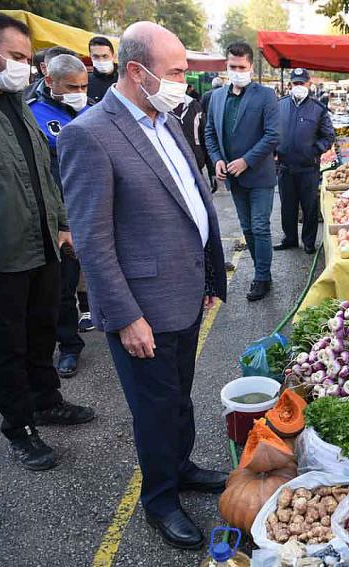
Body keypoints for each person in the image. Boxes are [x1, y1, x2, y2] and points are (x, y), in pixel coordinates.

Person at [58, 21, 228, 550]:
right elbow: (92, 241)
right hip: (142, 308)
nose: (184, 83)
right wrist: (126, 316)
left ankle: (180, 466)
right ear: (137, 71)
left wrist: (208, 274)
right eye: (175, 72)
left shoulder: (166, 119)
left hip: (184, 293)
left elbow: (189, 201)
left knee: (179, 397)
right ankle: (160, 500)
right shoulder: (89, 134)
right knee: (154, 409)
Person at [0, 12, 96, 471]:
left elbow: (45, 172)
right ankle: (19, 428)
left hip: (42, 245)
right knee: (5, 348)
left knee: (43, 330)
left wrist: (62, 224)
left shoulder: (17, 103)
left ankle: (47, 401)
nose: (25, 66)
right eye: (17, 56)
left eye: (28, 58)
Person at [28, 54, 89, 379]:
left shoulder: (91, 109)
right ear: (50, 81)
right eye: (71, 87)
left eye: (83, 87)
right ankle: (68, 345)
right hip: (57, 216)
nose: (79, 93)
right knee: (62, 285)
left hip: (91, 209)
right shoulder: (31, 113)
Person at [205, 41, 279, 302]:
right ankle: (262, 271)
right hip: (233, 177)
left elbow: (273, 135)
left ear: (251, 68)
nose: (236, 71)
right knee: (247, 227)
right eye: (232, 66)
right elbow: (210, 132)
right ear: (226, 66)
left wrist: (247, 161)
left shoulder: (266, 95)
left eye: (241, 67)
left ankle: (262, 277)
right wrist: (217, 160)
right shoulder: (216, 97)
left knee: (260, 226)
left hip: (259, 175)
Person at [275, 68, 335, 255]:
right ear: (290, 85)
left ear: (309, 84)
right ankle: (290, 238)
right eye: (296, 83)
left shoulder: (318, 109)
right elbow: (271, 131)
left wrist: (314, 151)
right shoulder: (280, 105)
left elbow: (328, 136)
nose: (299, 86)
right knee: (287, 205)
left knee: (309, 207)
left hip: (308, 168)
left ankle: (309, 242)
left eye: (302, 83)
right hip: (285, 166)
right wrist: (274, 151)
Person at [172, 92, 206, 172]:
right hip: (173, 167)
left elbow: (204, 136)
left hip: (196, 163)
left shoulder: (194, 105)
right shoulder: (160, 109)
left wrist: (212, 171)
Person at [87, 35, 118, 104]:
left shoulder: (124, 79)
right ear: (90, 56)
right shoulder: (86, 82)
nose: (101, 60)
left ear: (113, 56)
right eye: (96, 56)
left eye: (105, 56)